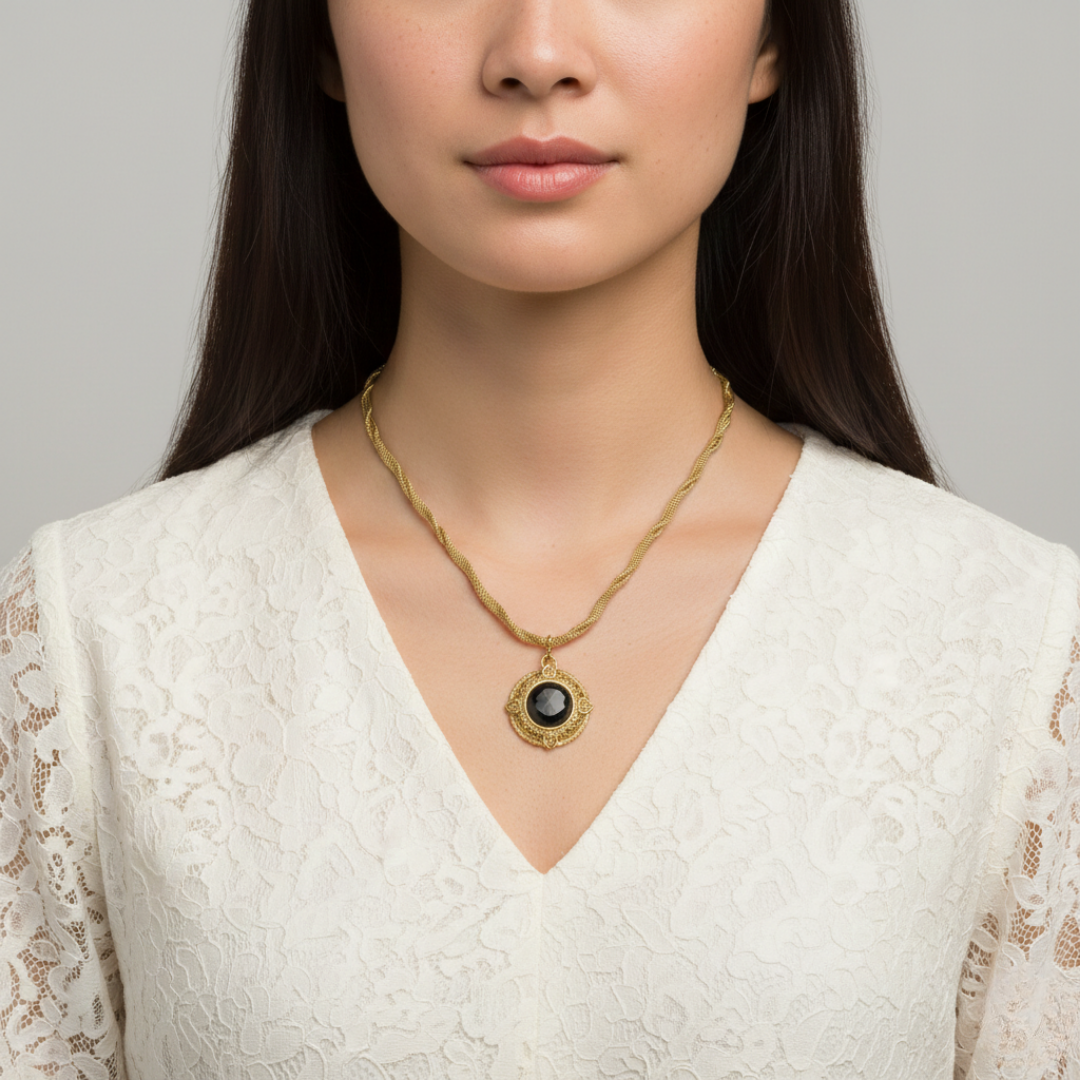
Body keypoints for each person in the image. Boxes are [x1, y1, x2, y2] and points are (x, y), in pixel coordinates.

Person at [1, 0, 1077, 1075]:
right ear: (321, 37)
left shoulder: (1011, 645)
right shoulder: (93, 635)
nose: (538, 54)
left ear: (773, 38)